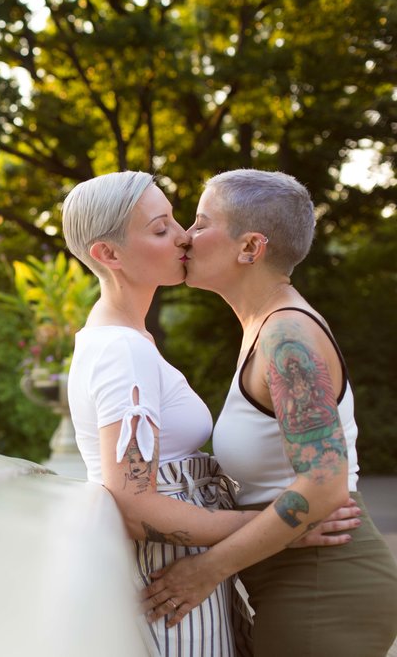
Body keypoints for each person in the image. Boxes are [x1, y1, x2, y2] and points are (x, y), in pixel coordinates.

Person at [61, 171, 358, 657]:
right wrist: (282, 528)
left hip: (181, 572)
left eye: (179, 221)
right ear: (108, 254)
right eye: (160, 229)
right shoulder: (120, 349)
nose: (182, 236)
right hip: (168, 582)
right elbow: (135, 504)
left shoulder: (131, 342)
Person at [143, 169, 397, 655]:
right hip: (297, 580)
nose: (185, 236)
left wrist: (206, 569)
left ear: (250, 247)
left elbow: (323, 483)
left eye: (200, 222)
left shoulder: (287, 338)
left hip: (325, 588)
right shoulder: (266, 327)